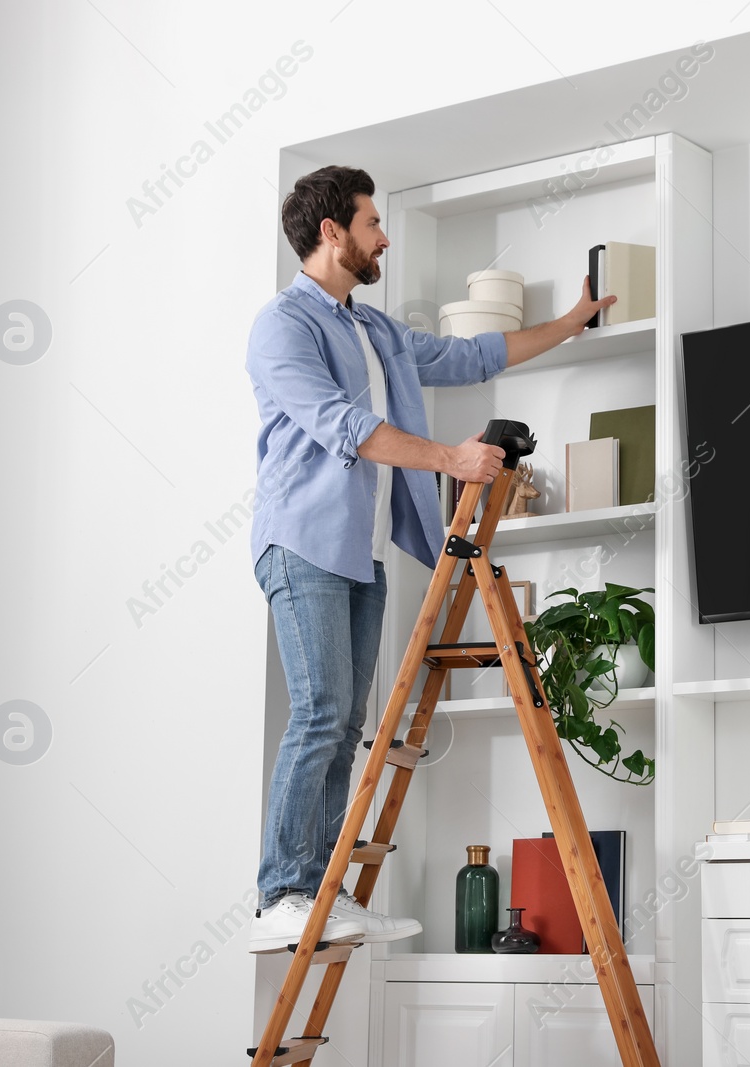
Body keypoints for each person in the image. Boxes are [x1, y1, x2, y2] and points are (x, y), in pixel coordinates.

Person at [244, 165, 613, 952]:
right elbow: (341, 424)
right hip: (302, 543)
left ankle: (321, 889)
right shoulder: (283, 325)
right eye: (373, 221)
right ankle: (280, 892)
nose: (385, 235)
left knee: (345, 725)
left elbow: (470, 354)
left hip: (361, 552)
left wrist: (574, 321)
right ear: (332, 232)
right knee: (317, 712)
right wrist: (449, 457)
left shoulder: (372, 330)